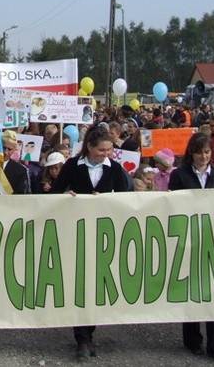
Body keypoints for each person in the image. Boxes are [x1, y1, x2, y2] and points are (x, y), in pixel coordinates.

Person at [50, 125, 130, 361]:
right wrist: (66, 198)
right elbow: (54, 192)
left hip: (103, 233)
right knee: (80, 284)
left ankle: (89, 332)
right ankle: (82, 338)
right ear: (89, 147)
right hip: (76, 231)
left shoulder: (115, 168)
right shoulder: (73, 166)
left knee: (96, 285)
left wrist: (108, 200)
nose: (106, 154)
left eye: (109, 150)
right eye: (101, 150)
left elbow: (126, 198)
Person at [168, 132, 214, 362]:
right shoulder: (179, 174)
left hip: (213, 237)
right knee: (191, 289)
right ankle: (193, 340)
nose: (203, 156)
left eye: (207, 152)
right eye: (199, 152)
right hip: (188, 237)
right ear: (191, 153)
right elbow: (172, 202)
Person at [0, 130, 30, 194]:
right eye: (3, 148)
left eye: (9, 149)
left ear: (14, 150)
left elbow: (20, 194)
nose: (5, 152)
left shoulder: (21, 170)